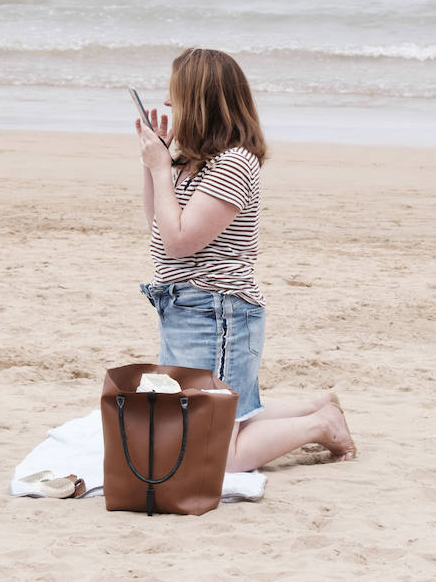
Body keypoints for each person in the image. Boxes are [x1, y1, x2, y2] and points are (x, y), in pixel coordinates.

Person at [133, 47, 356, 473]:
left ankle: (321, 423)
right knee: (211, 422)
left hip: (216, 313)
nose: (166, 103)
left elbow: (180, 243)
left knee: (210, 455)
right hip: (184, 308)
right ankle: (316, 405)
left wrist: (162, 170)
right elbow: (159, 226)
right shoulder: (195, 162)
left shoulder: (235, 163)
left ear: (199, 101)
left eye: (174, 94)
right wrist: (155, 164)